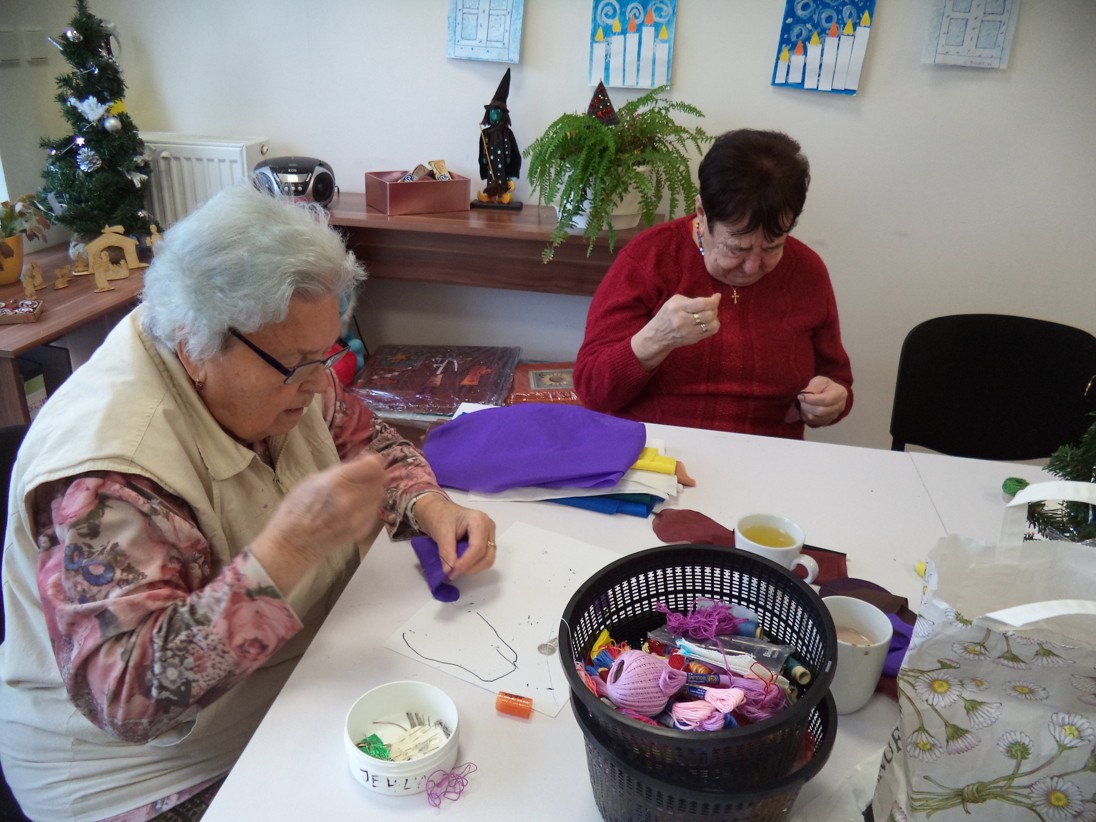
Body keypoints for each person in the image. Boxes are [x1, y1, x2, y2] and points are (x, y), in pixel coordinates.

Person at [0, 185, 497, 821]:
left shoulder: (272, 361)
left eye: (326, 354)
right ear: (194, 345)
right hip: (147, 777)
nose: (319, 384)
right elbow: (125, 697)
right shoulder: (109, 478)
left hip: (287, 689)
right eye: (297, 365)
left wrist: (429, 505)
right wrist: (287, 552)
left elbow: (363, 438)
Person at [573, 129, 853, 438]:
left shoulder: (807, 272)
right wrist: (656, 338)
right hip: (658, 448)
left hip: (767, 451)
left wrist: (831, 400)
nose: (752, 266)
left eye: (773, 247)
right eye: (737, 248)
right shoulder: (649, 258)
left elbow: (836, 378)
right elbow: (592, 390)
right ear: (702, 212)